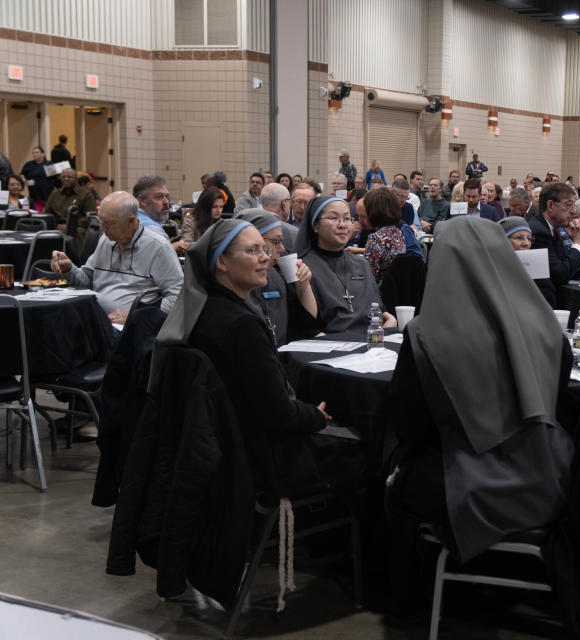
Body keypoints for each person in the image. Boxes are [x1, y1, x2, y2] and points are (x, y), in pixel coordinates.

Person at [384, 215, 573, 608]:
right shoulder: (547, 326)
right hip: (552, 473)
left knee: (386, 477)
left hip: (468, 486)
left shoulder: (423, 336)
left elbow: (408, 422)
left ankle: (405, 599)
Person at [151, 218, 352, 498]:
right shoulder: (241, 326)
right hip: (259, 459)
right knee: (365, 450)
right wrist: (315, 416)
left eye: (264, 249)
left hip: (220, 451)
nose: (265, 258)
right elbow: (277, 412)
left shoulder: (203, 310)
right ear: (222, 262)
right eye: (253, 251)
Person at [50, 191, 183, 325]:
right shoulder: (106, 240)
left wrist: (136, 317)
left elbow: (178, 295)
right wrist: (68, 269)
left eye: (109, 224)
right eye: (101, 222)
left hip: (131, 328)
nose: (102, 229)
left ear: (131, 221)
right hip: (97, 318)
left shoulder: (158, 247)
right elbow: (85, 280)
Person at [295, 195, 396, 332]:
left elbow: (379, 309)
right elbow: (308, 327)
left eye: (347, 218)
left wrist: (390, 319)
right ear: (315, 226)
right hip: (331, 345)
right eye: (333, 218)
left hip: (370, 342)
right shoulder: (304, 267)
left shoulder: (361, 263)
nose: (342, 225)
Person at [235, 210, 317, 346]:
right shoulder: (233, 284)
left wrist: (304, 286)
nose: (282, 248)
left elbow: (306, 323)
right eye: (276, 241)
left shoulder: (275, 277)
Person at [530, 182, 580, 306]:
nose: (573, 212)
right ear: (550, 205)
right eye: (568, 205)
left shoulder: (552, 229)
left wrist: (578, 244)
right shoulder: (539, 232)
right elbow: (560, 274)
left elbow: (575, 270)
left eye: (574, 206)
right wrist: (578, 243)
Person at [363, 187, 406, 283]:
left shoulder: (375, 238)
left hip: (380, 291)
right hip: (396, 287)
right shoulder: (398, 233)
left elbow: (370, 275)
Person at [44, 167, 96, 236]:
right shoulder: (55, 194)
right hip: (57, 225)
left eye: (69, 177)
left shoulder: (86, 195)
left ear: (76, 179)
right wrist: (56, 225)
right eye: (63, 177)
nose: (66, 179)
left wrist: (70, 225)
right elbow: (47, 213)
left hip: (77, 226)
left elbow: (90, 216)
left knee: (77, 232)